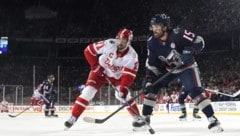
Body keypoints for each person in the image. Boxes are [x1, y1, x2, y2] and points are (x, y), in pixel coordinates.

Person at [140, 13, 223, 132]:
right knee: (150, 87)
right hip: (168, 69)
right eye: (153, 26)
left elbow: (200, 41)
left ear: (165, 26)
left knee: (195, 92)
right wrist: (148, 79)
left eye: (157, 26)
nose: (154, 29)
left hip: (187, 67)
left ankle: (212, 119)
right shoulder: (152, 42)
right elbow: (151, 63)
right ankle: (145, 118)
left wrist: (191, 50)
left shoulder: (178, 34)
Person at [64, 28, 144, 130]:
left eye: (124, 40)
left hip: (118, 77)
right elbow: (88, 50)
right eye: (119, 39)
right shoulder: (109, 44)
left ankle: (137, 118)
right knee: (88, 92)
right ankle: (73, 117)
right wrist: (95, 65)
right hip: (100, 72)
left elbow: (129, 75)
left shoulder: (132, 56)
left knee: (122, 95)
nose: (120, 42)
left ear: (129, 42)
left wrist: (123, 88)